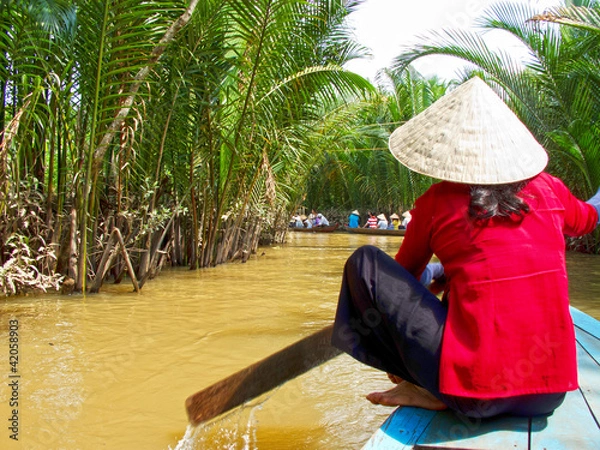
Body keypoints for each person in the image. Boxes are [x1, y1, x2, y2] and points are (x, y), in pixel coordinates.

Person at [331, 77, 600, 420]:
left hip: (474, 396)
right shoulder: (551, 189)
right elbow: (589, 217)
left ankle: (427, 384)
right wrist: (448, 272)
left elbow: (403, 280)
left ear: (452, 153)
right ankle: (432, 384)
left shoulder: (436, 201)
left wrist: (436, 272)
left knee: (365, 261)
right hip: (550, 394)